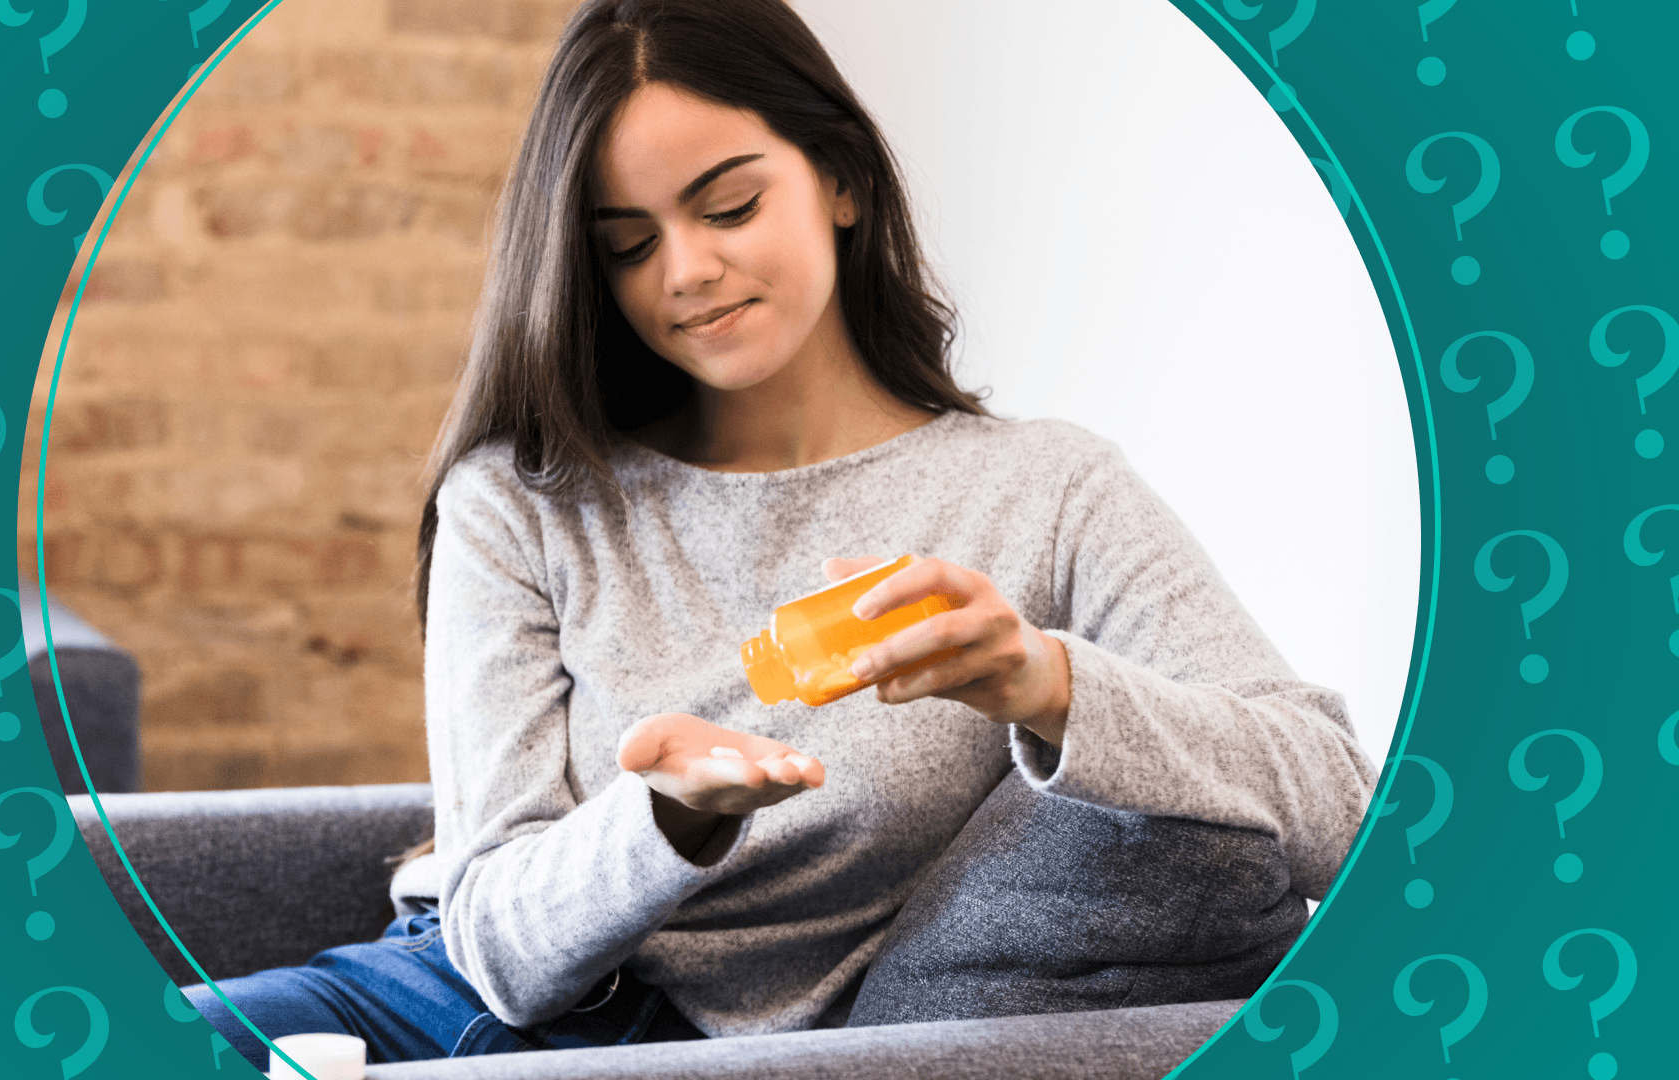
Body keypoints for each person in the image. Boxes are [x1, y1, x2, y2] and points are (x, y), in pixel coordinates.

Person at [183, 0, 1378, 1069]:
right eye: (628, 244)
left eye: (731, 205)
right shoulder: (524, 501)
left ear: (842, 181)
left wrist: (1046, 681)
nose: (687, 273)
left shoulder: (1047, 489)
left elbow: (1334, 805)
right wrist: (668, 815)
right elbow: (497, 946)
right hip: (482, 1001)